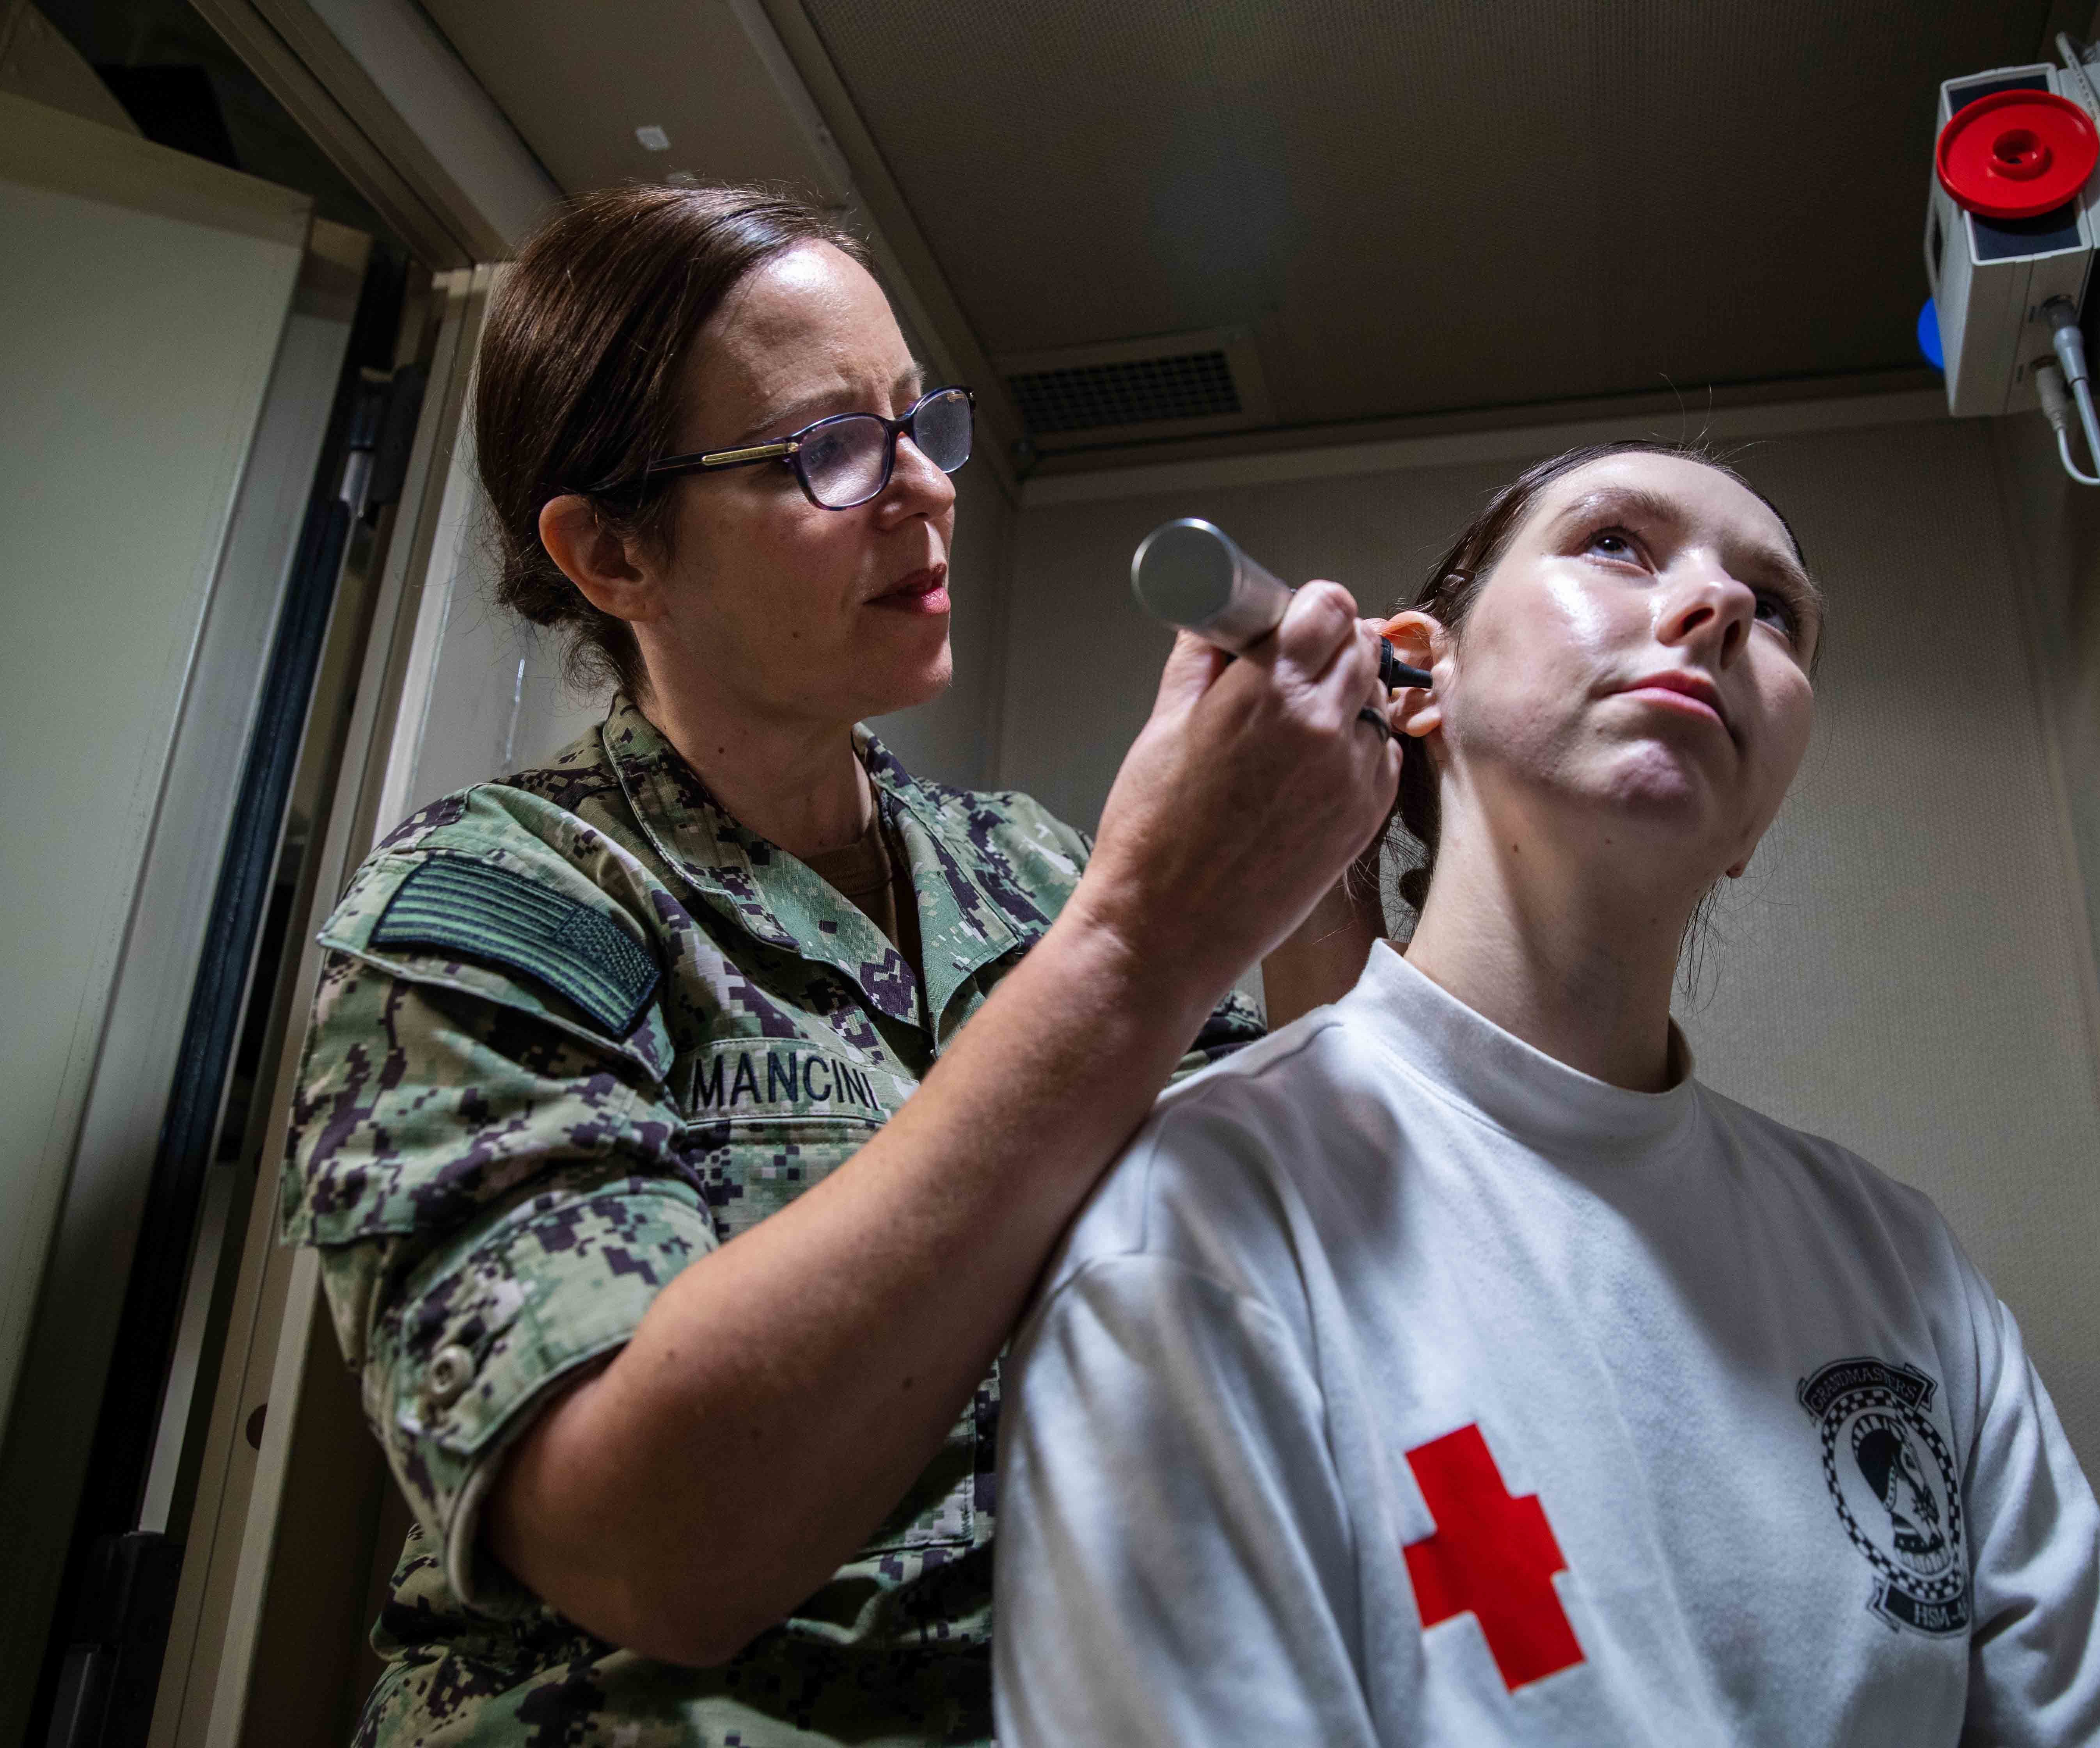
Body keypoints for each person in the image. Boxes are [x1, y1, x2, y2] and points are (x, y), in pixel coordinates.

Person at [279, 183, 1397, 1743]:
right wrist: (1146, 938)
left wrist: (1316, 855)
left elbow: (1296, 1238)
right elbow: (651, 1544)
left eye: (915, 421)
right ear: (611, 554)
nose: (925, 492)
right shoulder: (486, 910)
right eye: (824, 450)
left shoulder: (1031, 871)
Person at [993, 442, 2100, 1746]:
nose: (1723, 607)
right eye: (1618, 542)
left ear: (1756, 825)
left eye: (1776, 607)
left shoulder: (1900, 1267)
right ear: (1416, 683)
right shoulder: (1208, 1215)